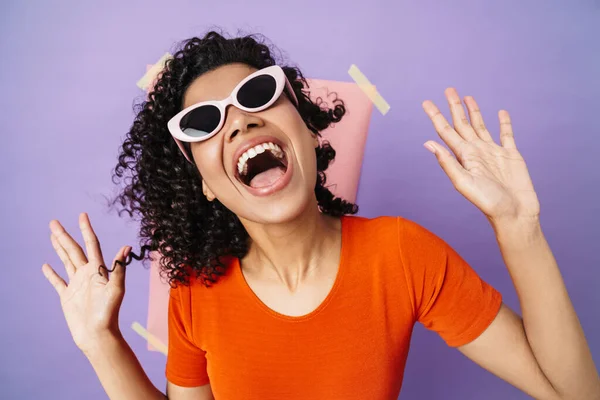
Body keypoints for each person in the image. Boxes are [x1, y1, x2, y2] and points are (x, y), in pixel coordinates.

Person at [42, 31, 600, 400]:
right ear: (206, 186)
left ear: (308, 130)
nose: (238, 123)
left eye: (258, 94)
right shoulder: (194, 289)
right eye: (205, 122)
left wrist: (518, 227)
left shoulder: (401, 255)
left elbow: (574, 394)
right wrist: (102, 342)